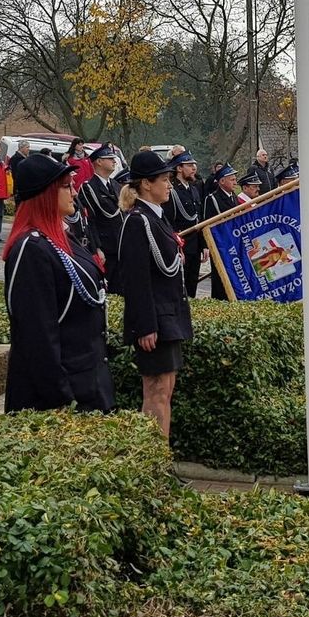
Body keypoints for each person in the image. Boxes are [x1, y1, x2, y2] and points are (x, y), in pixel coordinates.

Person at [1, 154, 113, 413]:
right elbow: (37, 337)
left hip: (88, 383)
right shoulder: (32, 249)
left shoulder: (62, 238)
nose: (74, 192)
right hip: (62, 396)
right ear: (45, 193)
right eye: (65, 186)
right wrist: (63, 400)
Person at [116, 152, 193, 437]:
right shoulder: (138, 221)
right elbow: (135, 279)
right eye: (164, 179)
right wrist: (145, 325)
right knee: (157, 392)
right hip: (156, 321)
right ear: (146, 184)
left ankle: (161, 456)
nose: (169, 185)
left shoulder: (156, 218)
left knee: (166, 389)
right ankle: (154, 460)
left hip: (168, 316)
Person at [79, 144, 124, 291]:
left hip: (120, 244)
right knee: (108, 287)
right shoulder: (89, 188)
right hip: (105, 245)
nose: (114, 161)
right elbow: (90, 221)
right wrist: (96, 247)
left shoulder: (116, 185)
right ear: (98, 161)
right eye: (110, 158)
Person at [164, 152, 203, 298]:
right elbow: (169, 220)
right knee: (182, 285)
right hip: (182, 244)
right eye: (189, 165)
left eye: (194, 165)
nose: (194, 168)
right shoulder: (173, 191)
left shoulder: (193, 189)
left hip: (195, 244)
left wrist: (203, 245)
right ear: (179, 168)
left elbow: (200, 218)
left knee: (193, 283)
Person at [202, 164, 239, 301]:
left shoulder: (233, 197)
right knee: (220, 278)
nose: (235, 182)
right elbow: (207, 223)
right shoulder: (212, 199)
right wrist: (206, 246)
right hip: (220, 244)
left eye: (235, 179)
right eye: (232, 179)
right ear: (222, 181)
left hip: (233, 242)